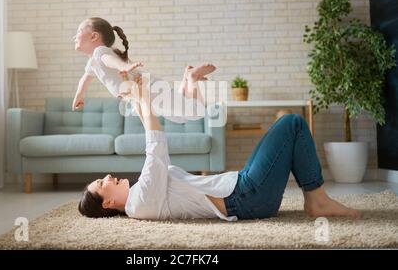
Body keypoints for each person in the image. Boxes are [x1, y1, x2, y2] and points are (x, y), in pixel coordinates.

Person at [78, 74, 361, 220]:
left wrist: (136, 100)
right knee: (292, 124)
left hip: (243, 189)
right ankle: (317, 200)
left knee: (287, 126)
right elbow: (156, 149)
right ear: (107, 202)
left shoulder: (141, 194)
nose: (108, 177)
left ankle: (315, 198)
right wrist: (142, 101)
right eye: (102, 183)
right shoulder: (139, 203)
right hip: (248, 198)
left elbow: (155, 151)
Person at [72, 17, 215, 123]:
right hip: (146, 95)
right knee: (180, 118)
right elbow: (85, 78)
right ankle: (187, 77)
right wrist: (79, 95)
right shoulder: (93, 62)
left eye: (78, 31)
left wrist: (123, 67)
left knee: (196, 111)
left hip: (150, 90)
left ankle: (193, 77)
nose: (74, 36)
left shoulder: (100, 52)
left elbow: (110, 61)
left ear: (94, 36)